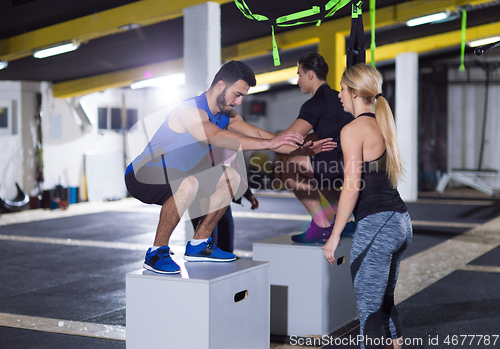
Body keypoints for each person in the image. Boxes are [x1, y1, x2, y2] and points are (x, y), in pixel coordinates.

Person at [125, 60, 334, 274]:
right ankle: (156, 252)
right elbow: (215, 136)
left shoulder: (227, 115)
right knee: (187, 183)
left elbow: (263, 135)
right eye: (237, 94)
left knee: (232, 178)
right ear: (220, 86)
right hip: (143, 174)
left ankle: (199, 245)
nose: (239, 101)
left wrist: (301, 149)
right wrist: (269, 144)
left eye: (243, 96)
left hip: (182, 178)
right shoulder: (189, 110)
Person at [322, 63, 412, 349]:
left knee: (369, 312)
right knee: (384, 302)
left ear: (353, 92)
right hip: (400, 222)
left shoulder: (352, 129)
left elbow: (352, 186)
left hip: (377, 226)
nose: (338, 95)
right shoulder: (382, 123)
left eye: (342, 88)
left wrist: (334, 235)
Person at [280, 52, 354, 243]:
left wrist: (260, 139)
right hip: (354, 162)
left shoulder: (315, 103)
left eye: (299, 75)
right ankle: (342, 221)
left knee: (291, 166)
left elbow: (288, 140)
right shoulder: (339, 97)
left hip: (338, 164)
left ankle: (321, 227)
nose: (298, 81)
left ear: (310, 75)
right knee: (318, 168)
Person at [191, 186, 258, 253]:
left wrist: (248, 193)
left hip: (224, 202)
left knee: (226, 250)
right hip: (205, 202)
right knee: (208, 250)